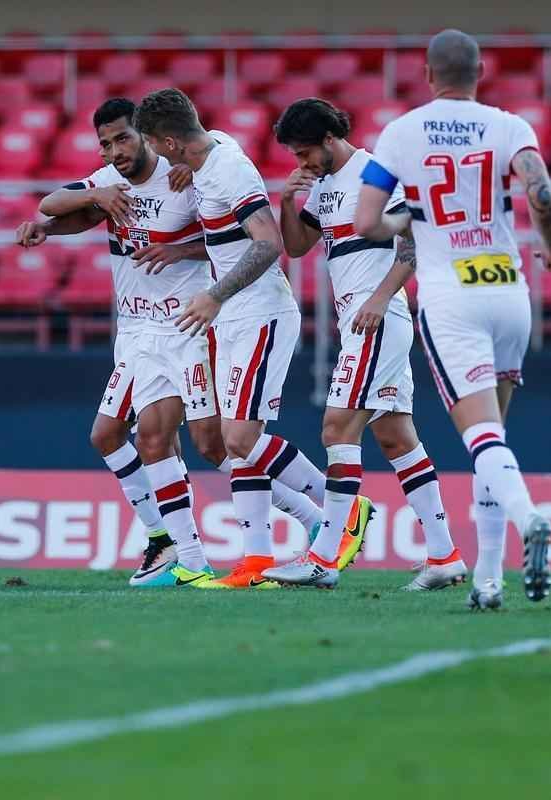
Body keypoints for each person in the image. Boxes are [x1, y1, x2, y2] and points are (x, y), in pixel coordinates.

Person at [17, 99, 328, 587]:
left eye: (123, 138)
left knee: (214, 444)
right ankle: (183, 553)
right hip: (137, 332)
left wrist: (179, 250)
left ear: (149, 138)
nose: (115, 151)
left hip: (189, 326)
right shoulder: (110, 182)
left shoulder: (186, 176)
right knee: (140, 437)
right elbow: (58, 205)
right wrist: (59, 220)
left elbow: (228, 239)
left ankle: (314, 515)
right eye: (105, 144)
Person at [134, 88, 373, 589]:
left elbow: (269, 244)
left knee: (240, 438)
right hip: (233, 319)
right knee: (236, 444)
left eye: (154, 144)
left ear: (169, 142)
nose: (153, 153)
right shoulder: (211, 153)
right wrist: (184, 239)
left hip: (259, 314)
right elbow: (227, 230)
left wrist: (215, 295)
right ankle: (256, 561)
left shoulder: (229, 169)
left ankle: (340, 508)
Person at [354, 29, 551, 610]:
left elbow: (367, 222)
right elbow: (541, 191)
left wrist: (407, 220)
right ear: (481, 71)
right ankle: (488, 581)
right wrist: (550, 247)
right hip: (508, 290)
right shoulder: (508, 125)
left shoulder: (402, 132)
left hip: (452, 296)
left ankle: (529, 517)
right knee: (494, 440)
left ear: (427, 74)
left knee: (480, 436)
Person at [262, 98, 466, 591]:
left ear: (330, 139)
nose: (302, 163)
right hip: (364, 320)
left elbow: (412, 246)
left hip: (376, 318)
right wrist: (287, 203)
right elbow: (297, 247)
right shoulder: (323, 184)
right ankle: (444, 556)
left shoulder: (376, 175)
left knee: (337, 428)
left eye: (305, 152)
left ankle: (323, 558)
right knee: (396, 437)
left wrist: (378, 298)